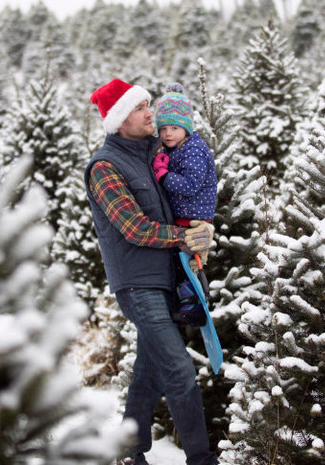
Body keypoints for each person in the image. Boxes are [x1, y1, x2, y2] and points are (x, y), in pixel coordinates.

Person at [85, 78, 218, 465]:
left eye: (149, 106)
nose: (151, 114)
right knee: (178, 369)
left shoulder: (154, 155)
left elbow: (191, 192)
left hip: (164, 279)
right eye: (142, 108)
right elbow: (134, 227)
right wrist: (184, 238)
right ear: (121, 119)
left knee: (148, 371)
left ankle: (129, 452)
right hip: (137, 285)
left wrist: (200, 230)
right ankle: (201, 459)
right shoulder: (104, 167)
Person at [151, 82, 218, 229]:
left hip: (194, 219)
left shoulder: (193, 150)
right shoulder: (172, 148)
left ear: (186, 128)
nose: (168, 133)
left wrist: (163, 176)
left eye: (174, 128)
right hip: (182, 216)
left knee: (189, 251)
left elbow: (190, 185)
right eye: (163, 129)